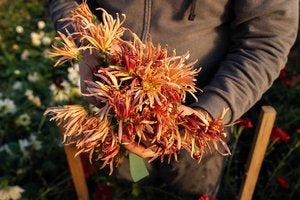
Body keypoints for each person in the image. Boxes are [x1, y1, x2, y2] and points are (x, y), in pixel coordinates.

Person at [49, 0, 299, 197]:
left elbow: (267, 38)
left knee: (194, 188)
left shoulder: (203, 118)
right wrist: (85, 44)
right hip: (116, 114)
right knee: (132, 185)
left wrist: (212, 109)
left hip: (200, 114)